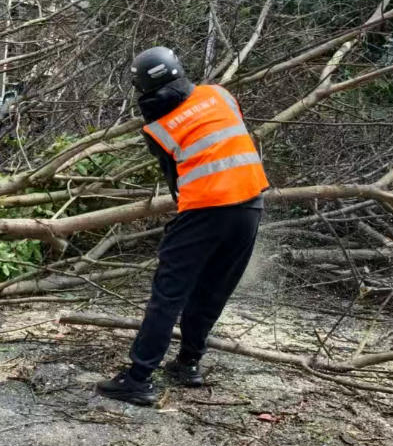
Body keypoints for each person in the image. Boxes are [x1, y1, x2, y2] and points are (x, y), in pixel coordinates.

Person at [96, 47, 269, 406]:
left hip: (204, 209)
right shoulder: (220, 93)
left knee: (169, 294)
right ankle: (189, 364)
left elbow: (175, 180)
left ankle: (138, 378)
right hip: (252, 201)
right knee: (214, 287)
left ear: (142, 87)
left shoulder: (157, 128)